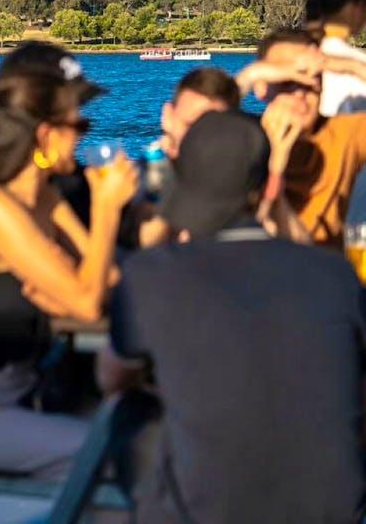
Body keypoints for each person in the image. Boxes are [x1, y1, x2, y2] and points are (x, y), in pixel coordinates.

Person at [102, 111, 366, 524]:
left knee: (133, 409)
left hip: (206, 512)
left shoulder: (153, 275)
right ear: (266, 187)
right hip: (332, 509)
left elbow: (113, 377)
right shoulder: (334, 274)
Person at [0, 40, 138, 479]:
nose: (85, 133)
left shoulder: (43, 197)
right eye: (78, 124)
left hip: (23, 387)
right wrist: (105, 209)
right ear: (45, 133)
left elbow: (107, 279)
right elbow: (85, 302)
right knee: (110, 456)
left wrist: (67, 288)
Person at [257, 28, 366, 248]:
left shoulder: (342, 134)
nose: (300, 92)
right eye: (287, 80)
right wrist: (248, 76)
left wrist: (352, 66)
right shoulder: (242, 139)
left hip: (326, 274)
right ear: (263, 86)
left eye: (311, 80)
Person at [305, 0, 366, 227]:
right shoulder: (355, 65)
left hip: (311, 200)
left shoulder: (297, 57)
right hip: (355, 207)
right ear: (356, 7)